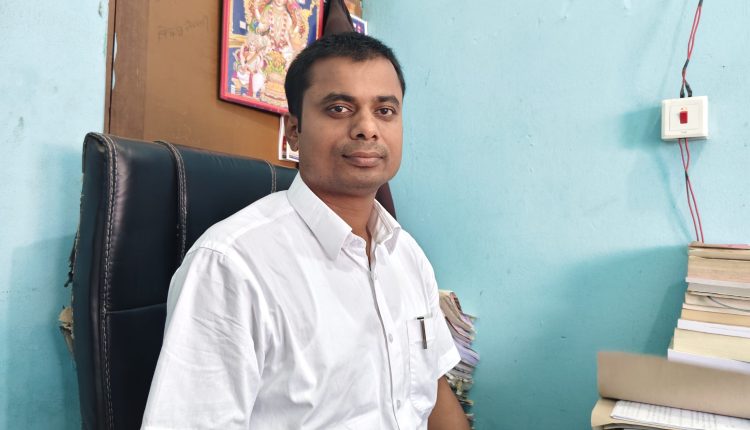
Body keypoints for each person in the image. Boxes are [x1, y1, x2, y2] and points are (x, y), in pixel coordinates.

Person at [141, 32, 470, 430]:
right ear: (294, 131)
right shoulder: (231, 265)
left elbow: (433, 393)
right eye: (339, 108)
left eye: (385, 111)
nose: (367, 128)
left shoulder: (407, 255)